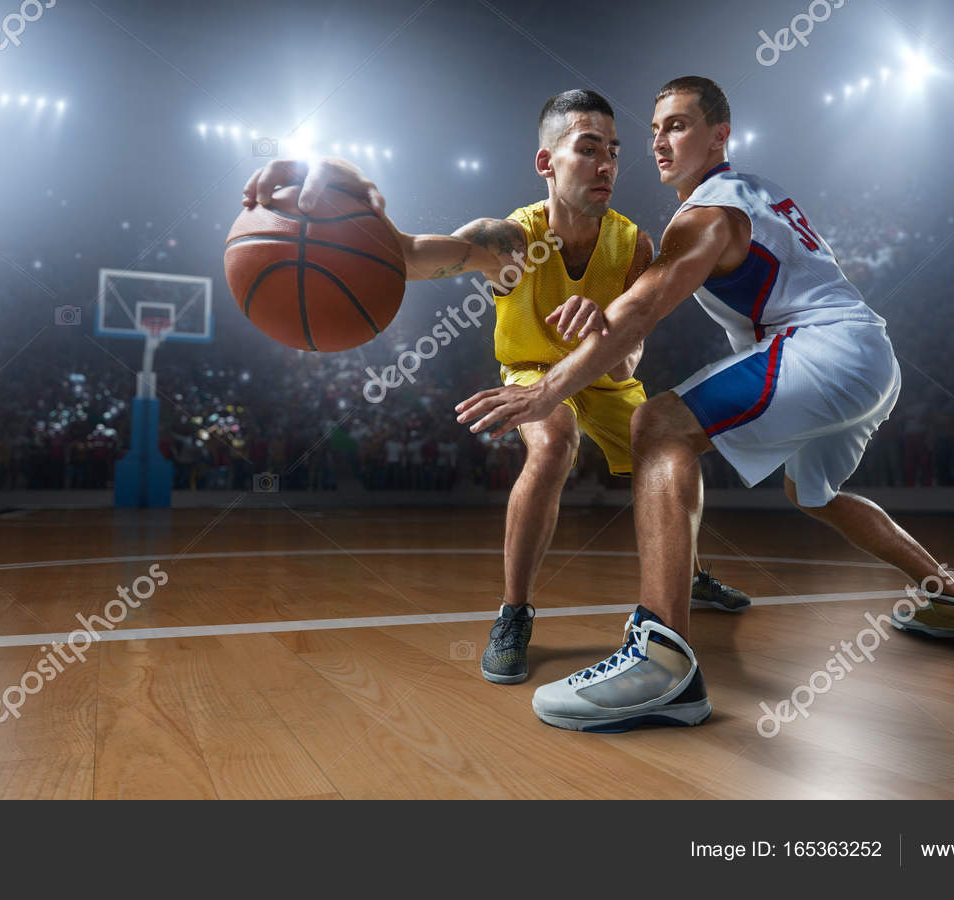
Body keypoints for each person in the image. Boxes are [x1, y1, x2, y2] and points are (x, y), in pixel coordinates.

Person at [455, 76, 954, 732]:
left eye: (680, 125)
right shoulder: (754, 191)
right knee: (815, 494)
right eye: (656, 128)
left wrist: (548, 388)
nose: (660, 140)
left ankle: (661, 661)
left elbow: (639, 313)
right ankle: (953, 601)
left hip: (822, 348)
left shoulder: (707, 215)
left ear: (720, 135)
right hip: (868, 357)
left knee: (657, 424)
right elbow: (634, 315)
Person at [242, 89, 751, 687]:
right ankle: (514, 615)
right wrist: (348, 188)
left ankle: (686, 574)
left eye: (613, 151)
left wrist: (605, 330)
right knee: (555, 442)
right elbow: (405, 256)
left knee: (665, 444)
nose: (607, 164)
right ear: (547, 163)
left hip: (599, 371)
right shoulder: (508, 242)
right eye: (588, 149)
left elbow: (626, 360)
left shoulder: (635, 244)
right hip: (532, 373)